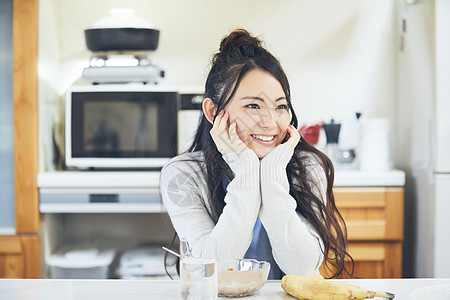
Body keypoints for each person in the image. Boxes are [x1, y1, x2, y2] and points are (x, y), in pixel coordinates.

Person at [160, 29, 352, 279]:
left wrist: (271, 177)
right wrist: (247, 173)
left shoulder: (308, 166)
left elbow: (302, 268)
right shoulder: (182, 175)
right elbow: (211, 270)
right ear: (213, 112)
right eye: (253, 106)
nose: (271, 122)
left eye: (280, 106)